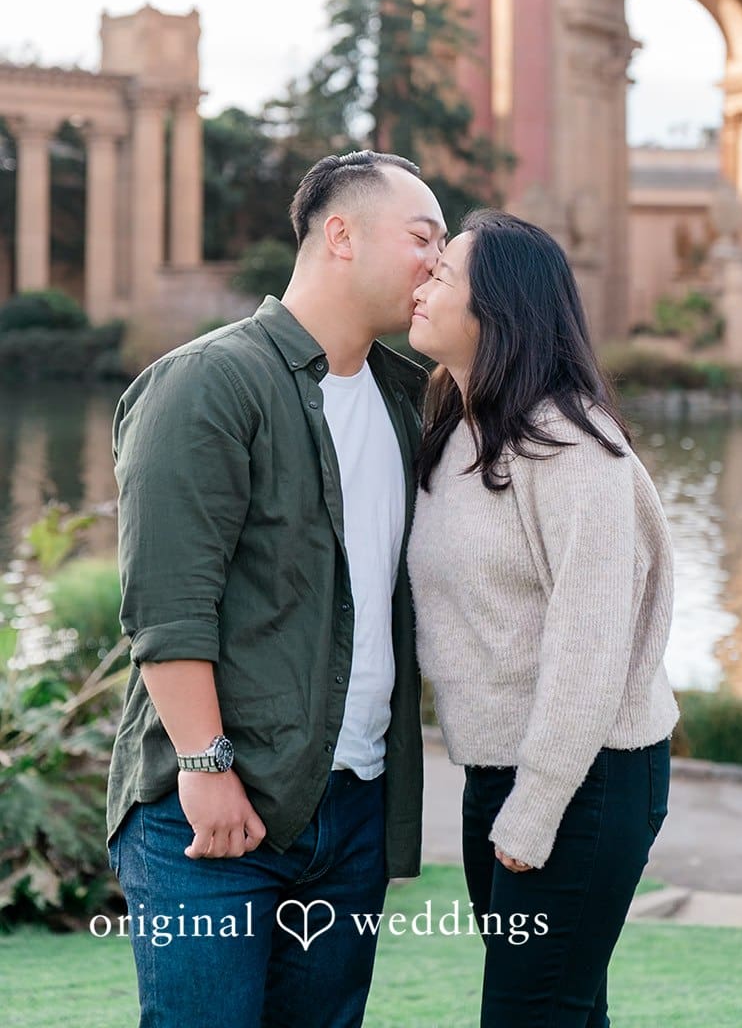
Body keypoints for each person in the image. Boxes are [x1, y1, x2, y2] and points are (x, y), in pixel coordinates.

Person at [105, 150, 447, 1028]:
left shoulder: (405, 400)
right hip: (220, 815)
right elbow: (168, 606)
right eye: (423, 238)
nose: (437, 264)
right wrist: (206, 766)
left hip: (354, 812)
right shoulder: (209, 382)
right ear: (341, 235)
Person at [407, 210, 678, 1028]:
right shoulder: (455, 430)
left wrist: (538, 800)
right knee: (563, 1011)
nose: (423, 282)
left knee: (531, 1014)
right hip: (500, 773)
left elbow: (588, 641)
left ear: (499, 310)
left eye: (443, 275)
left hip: (585, 780)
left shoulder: (570, 448)